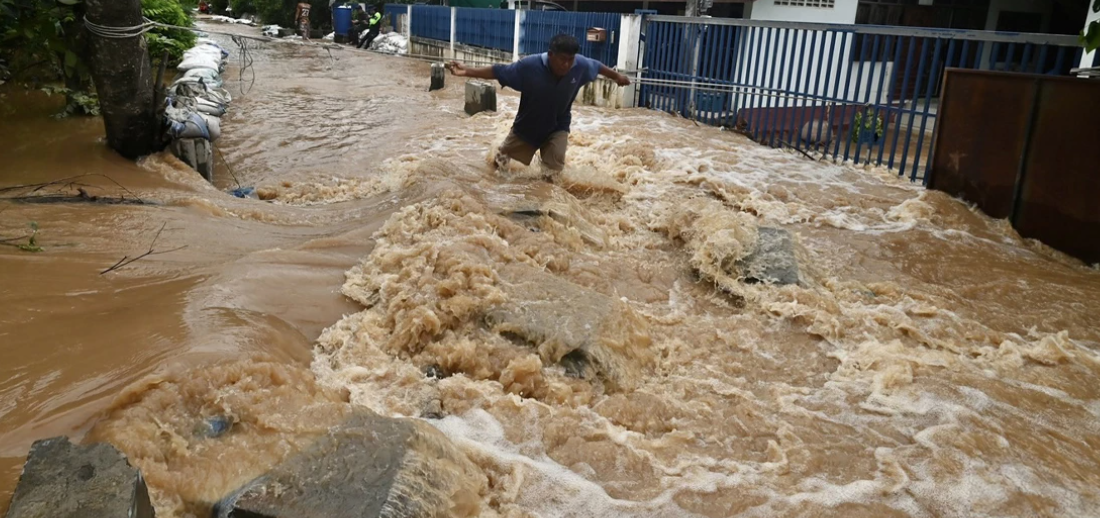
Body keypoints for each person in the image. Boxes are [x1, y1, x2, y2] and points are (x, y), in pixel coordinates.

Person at [448, 34, 630, 178]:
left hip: (558, 125)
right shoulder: (529, 66)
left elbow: (597, 67)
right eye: (562, 59)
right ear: (550, 55)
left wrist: (617, 77)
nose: (566, 64)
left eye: (570, 59)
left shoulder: (580, 65)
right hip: (527, 126)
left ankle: (543, 206)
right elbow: (498, 71)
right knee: (499, 164)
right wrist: (466, 71)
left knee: (553, 173)